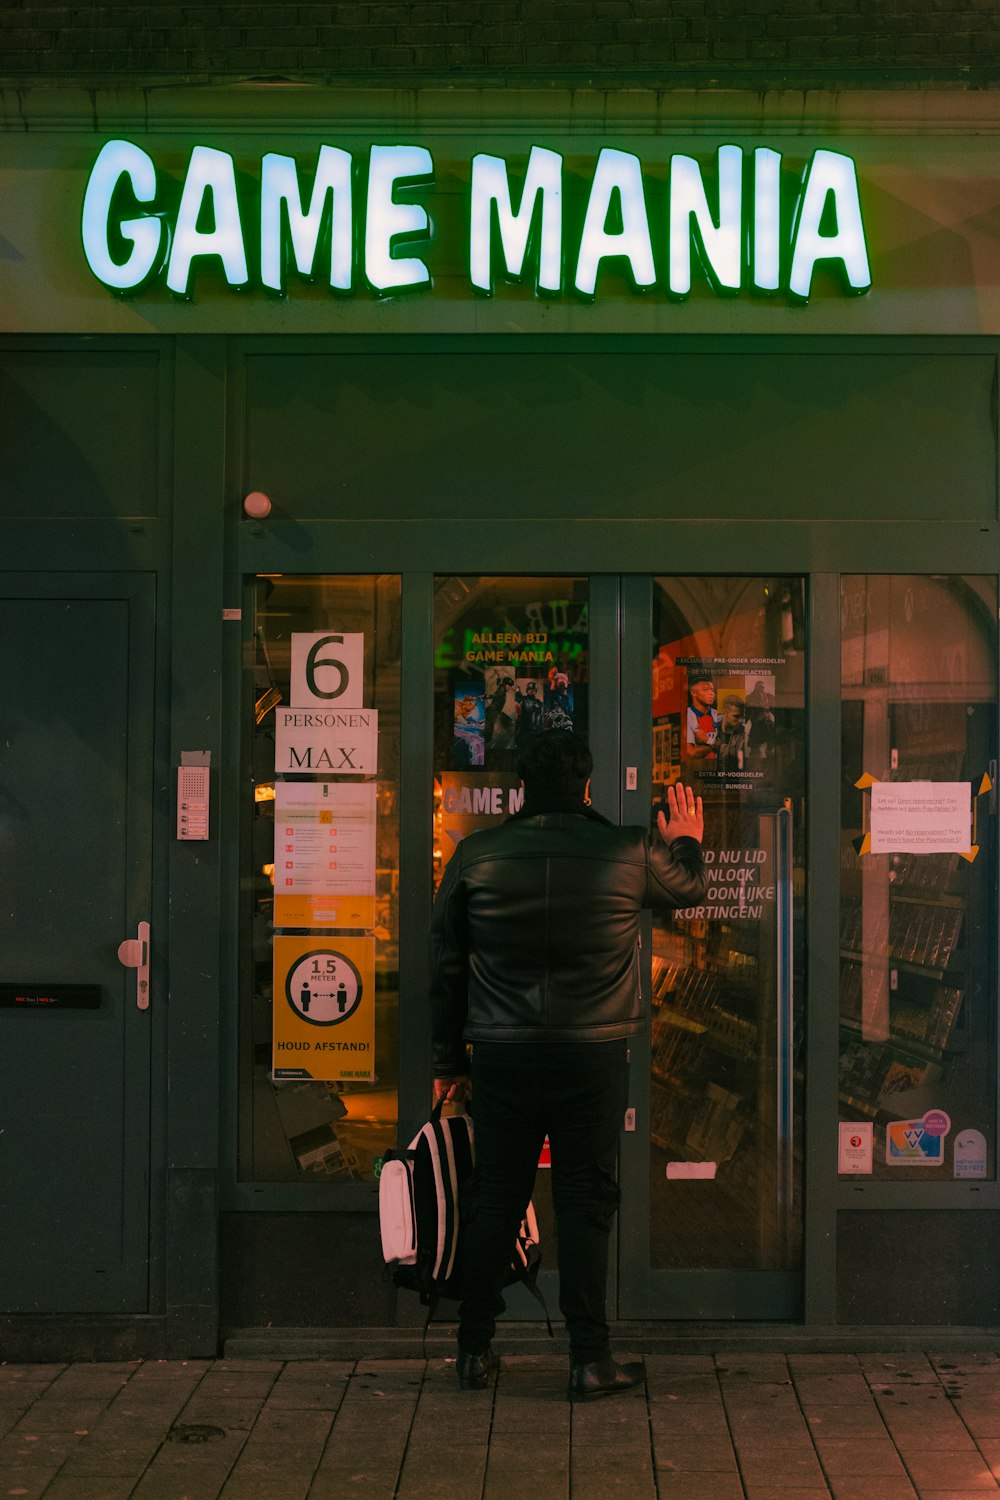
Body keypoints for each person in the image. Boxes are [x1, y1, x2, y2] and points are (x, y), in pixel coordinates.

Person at [429, 729, 706, 1402]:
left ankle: (472, 1351)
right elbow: (690, 889)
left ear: (522, 786)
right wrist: (687, 836)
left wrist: (448, 1059)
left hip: (501, 1053)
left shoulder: (477, 856)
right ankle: (589, 1359)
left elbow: (445, 966)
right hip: (592, 1054)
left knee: (497, 1196)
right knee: (586, 1200)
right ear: (586, 785)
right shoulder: (629, 850)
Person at [685, 672, 720, 758]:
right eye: (705, 689)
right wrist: (717, 745)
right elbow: (691, 753)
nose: (711, 693)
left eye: (712, 690)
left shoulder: (718, 715)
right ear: (694, 693)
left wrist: (707, 740)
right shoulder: (686, 716)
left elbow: (732, 749)